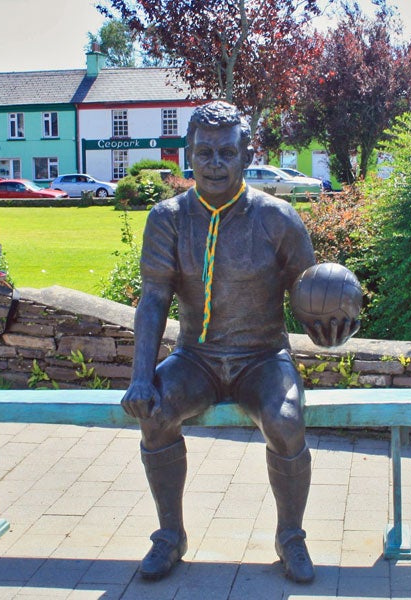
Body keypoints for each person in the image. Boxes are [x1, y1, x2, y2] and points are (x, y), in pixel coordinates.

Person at [121, 101, 358, 583]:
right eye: (203, 152)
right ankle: (170, 534)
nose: (214, 163)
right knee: (157, 414)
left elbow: (308, 293)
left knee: (286, 421)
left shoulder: (278, 218)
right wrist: (140, 378)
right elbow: (152, 302)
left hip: (262, 359)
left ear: (246, 155)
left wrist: (330, 323)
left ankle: (290, 535)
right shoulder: (167, 218)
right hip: (196, 359)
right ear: (188, 153)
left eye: (226, 152)